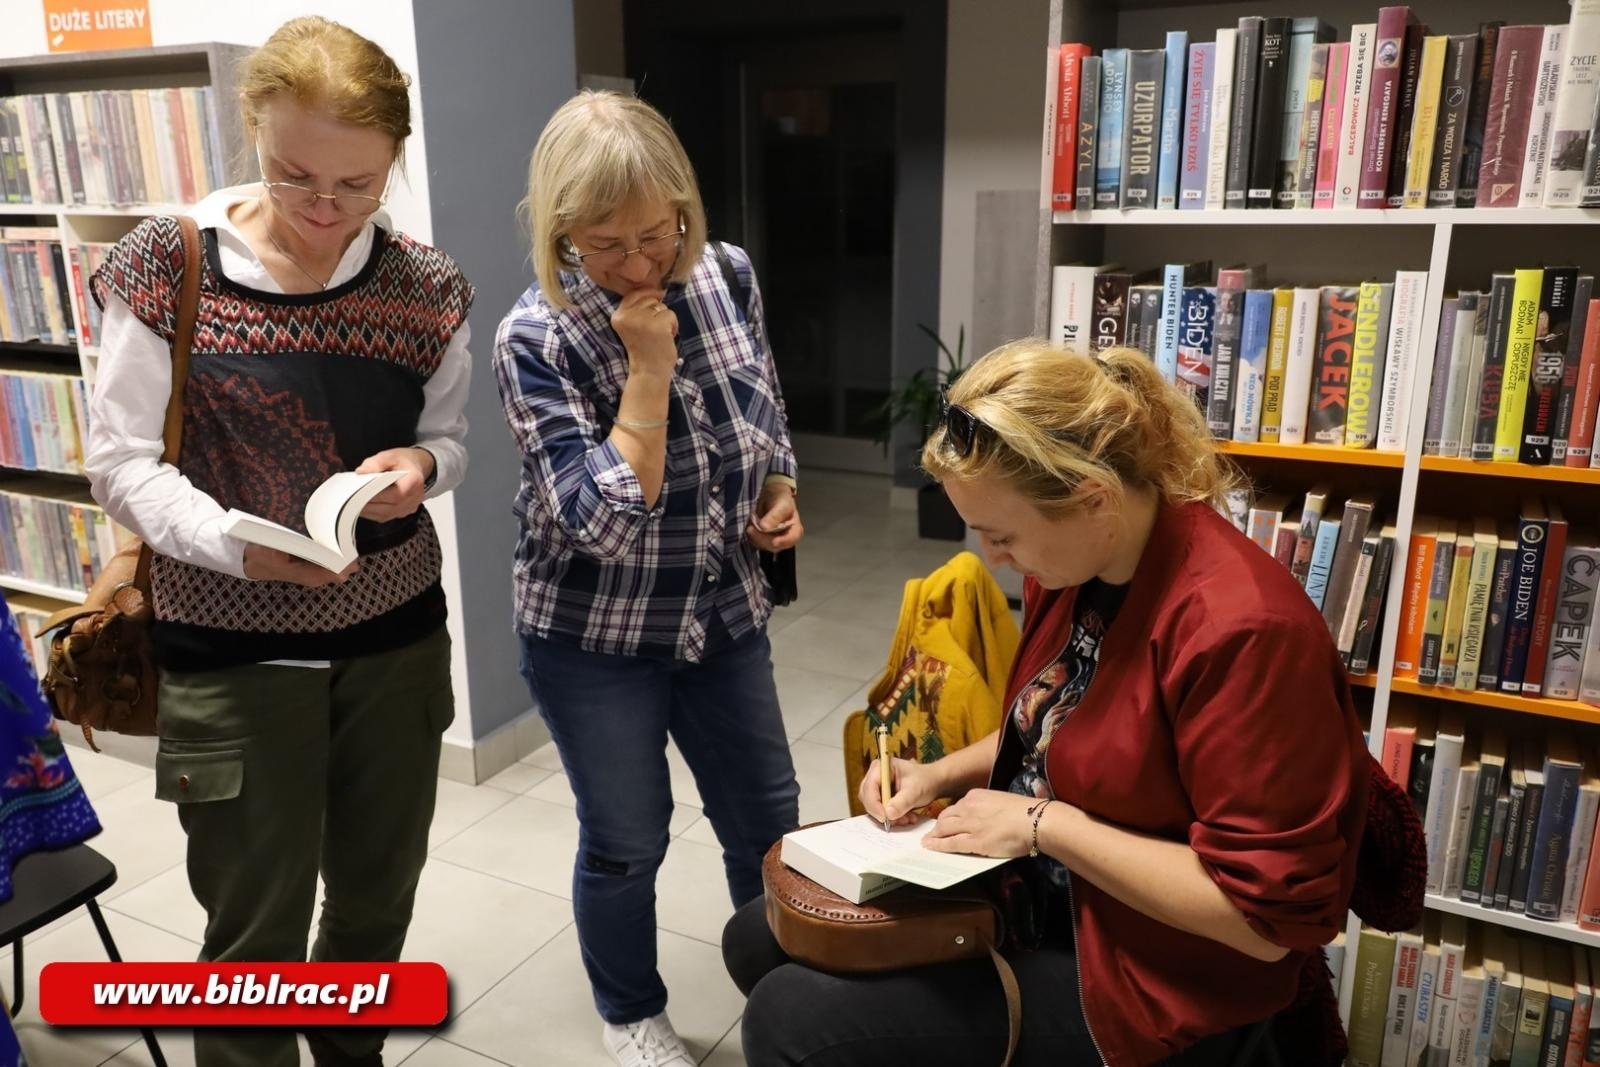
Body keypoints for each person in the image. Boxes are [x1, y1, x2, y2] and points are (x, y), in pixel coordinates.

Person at [723, 341, 1370, 1066]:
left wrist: (1040, 825)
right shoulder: (1076, 566)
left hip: (1151, 969)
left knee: (792, 1020)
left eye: (1003, 535)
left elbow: (1264, 922)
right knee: (755, 936)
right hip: (1047, 896)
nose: (993, 557)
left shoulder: (1242, 632)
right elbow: (1052, 725)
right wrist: (936, 775)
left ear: (1093, 497)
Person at [83, 17, 473, 1067]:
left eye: (358, 185)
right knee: (251, 938)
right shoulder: (166, 264)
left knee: (373, 908)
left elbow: (449, 436)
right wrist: (231, 544)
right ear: (250, 125)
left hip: (393, 641)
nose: (325, 210)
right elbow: (117, 460)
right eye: (296, 175)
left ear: (394, 160)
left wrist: (425, 470)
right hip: (233, 653)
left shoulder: (426, 285)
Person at [494, 91, 803, 1067]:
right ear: (560, 233)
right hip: (593, 637)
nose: (638, 265)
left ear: (684, 208)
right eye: (604, 244)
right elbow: (596, 522)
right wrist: (646, 370)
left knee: (767, 820)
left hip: (722, 610)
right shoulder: (534, 338)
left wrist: (780, 484)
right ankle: (630, 1010)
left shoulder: (725, 275)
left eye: (655, 234)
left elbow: (764, 404)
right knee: (628, 838)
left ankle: (799, 994)